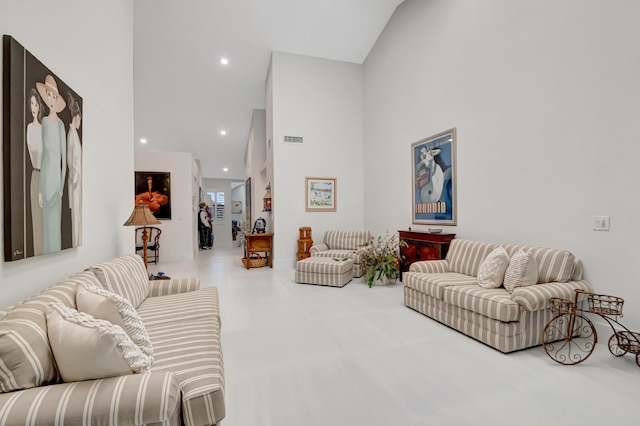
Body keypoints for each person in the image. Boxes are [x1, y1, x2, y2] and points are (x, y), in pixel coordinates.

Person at [36, 75, 66, 254]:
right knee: (46, 226)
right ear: (45, 97)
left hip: (56, 186)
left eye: (54, 96)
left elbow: (63, 161)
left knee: (55, 226)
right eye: (49, 96)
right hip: (45, 183)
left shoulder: (61, 125)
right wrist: (40, 188)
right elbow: (43, 157)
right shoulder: (45, 123)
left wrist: (61, 187)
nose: (52, 100)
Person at [26, 88, 44, 255]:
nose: (33, 107)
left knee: (44, 222)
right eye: (31, 103)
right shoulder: (29, 128)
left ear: (39, 107)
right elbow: (32, 156)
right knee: (35, 218)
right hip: (35, 175)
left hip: (44, 177)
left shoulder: (43, 129)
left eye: (36, 103)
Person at [66, 93, 82, 247]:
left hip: (78, 182)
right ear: (76, 117)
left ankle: (77, 241)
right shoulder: (71, 134)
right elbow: (71, 161)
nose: (80, 123)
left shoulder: (75, 134)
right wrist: (75, 176)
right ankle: (76, 242)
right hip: (75, 182)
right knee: (76, 216)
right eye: (79, 120)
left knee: (79, 217)